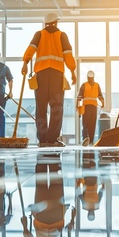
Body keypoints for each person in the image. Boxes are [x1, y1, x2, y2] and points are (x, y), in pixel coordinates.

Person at [22, 13, 77, 147]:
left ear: (45, 23)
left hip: (41, 75)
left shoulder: (39, 34)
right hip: (56, 75)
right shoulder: (62, 35)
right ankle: (53, 139)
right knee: (56, 107)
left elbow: (30, 50)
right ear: (56, 23)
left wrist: (25, 63)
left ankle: (43, 139)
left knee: (41, 107)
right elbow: (68, 55)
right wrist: (72, 71)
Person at [20, 153, 75, 237]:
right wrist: (72, 219)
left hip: (47, 218)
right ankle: (51, 154)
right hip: (52, 217)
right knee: (48, 182)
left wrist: (25, 226)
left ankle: (45, 154)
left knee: (44, 183)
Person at [76, 70, 105, 146]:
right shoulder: (95, 85)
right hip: (91, 107)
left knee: (87, 123)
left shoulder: (85, 85)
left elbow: (79, 98)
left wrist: (78, 109)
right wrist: (102, 103)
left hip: (88, 107)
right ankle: (89, 139)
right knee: (90, 123)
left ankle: (87, 138)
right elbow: (101, 97)